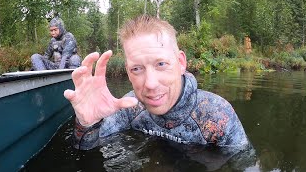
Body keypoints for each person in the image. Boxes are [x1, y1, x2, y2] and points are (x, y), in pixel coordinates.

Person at [64, 15, 250, 152]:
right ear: (128, 72)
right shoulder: (129, 106)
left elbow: (242, 164)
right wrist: (87, 124)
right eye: (137, 69)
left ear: (181, 62)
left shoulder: (216, 116)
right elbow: (87, 154)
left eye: (161, 64)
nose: (150, 84)